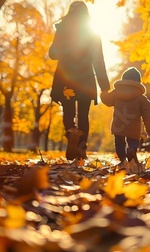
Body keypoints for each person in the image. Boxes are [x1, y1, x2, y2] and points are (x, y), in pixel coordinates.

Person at [49, 1, 110, 160]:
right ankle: (82, 147)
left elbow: (52, 54)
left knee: (68, 111)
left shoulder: (62, 30)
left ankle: (71, 134)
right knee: (84, 115)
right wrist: (104, 87)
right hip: (86, 79)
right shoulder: (92, 33)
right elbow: (99, 60)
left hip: (65, 79)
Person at [101, 67, 150, 167]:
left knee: (119, 142)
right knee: (133, 141)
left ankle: (122, 158)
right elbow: (148, 113)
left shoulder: (116, 93)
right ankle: (132, 150)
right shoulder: (141, 98)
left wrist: (103, 93)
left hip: (119, 124)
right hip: (133, 126)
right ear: (138, 82)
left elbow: (107, 101)